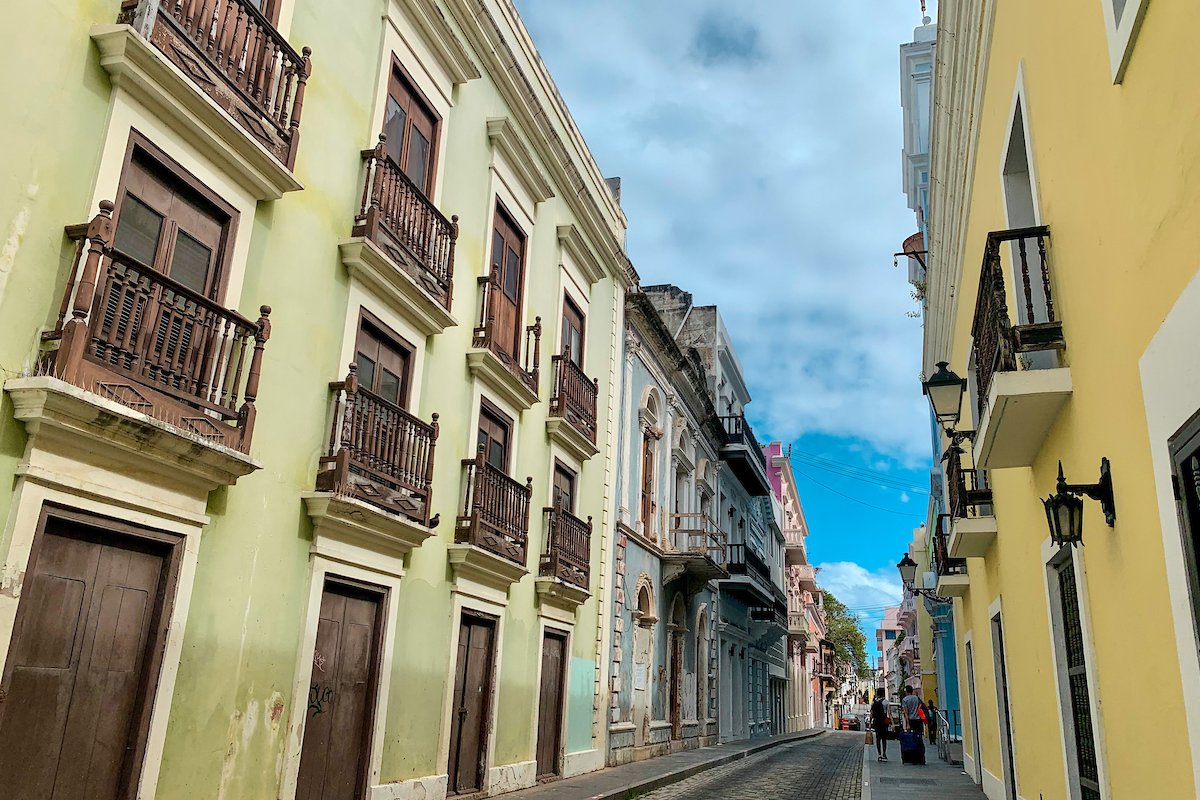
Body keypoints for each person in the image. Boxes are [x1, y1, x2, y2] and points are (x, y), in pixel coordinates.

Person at [870, 691, 890, 761]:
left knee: (878, 738)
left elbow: (871, 714)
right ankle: (884, 753)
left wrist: (870, 723)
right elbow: (889, 713)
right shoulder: (886, 702)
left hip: (876, 722)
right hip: (884, 722)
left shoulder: (874, 702)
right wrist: (892, 723)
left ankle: (879, 754)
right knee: (884, 739)